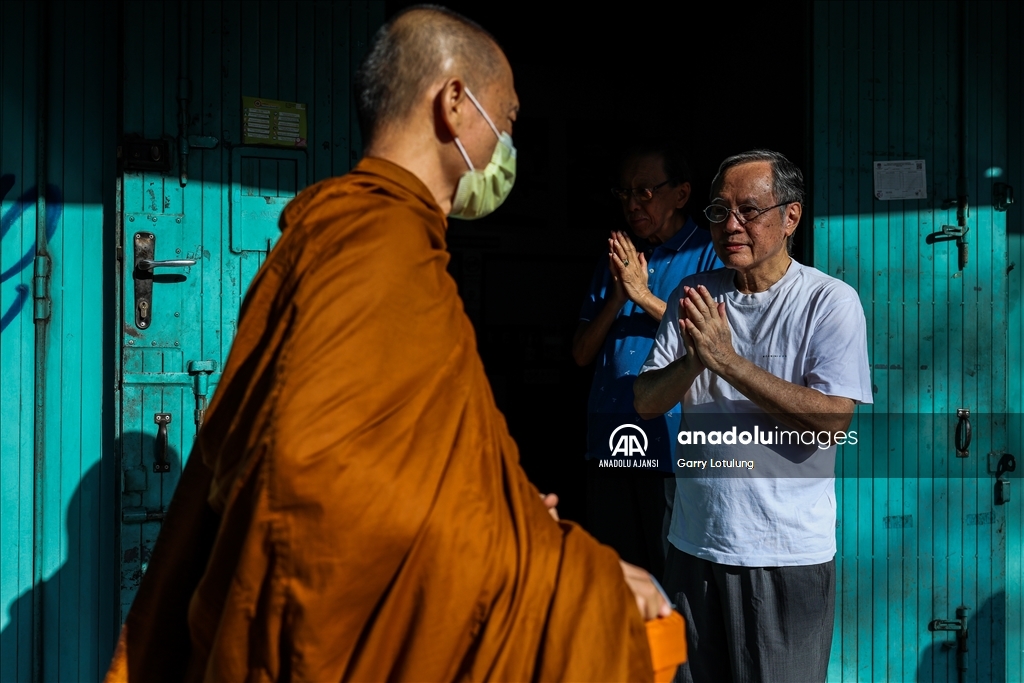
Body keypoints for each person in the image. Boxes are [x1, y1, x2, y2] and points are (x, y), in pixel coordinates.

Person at [105, 7, 682, 683]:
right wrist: (540, 558)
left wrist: (511, 509)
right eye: (508, 120)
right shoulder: (376, 242)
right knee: (628, 610)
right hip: (331, 636)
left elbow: (401, 456)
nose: (507, 147)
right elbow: (323, 491)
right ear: (455, 102)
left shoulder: (352, 236)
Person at [633, 150, 872, 683]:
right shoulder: (692, 297)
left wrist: (727, 362)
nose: (731, 225)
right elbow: (646, 402)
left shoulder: (827, 302)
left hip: (785, 554)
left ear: (791, 217)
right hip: (694, 545)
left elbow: (834, 420)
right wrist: (694, 362)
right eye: (719, 212)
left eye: (748, 210)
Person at [573, 144, 720, 578]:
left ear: (681, 194)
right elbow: (581, 353)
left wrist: (641, 295)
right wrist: (619, 296)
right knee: (615, 574)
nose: (632, 204)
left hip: (670, 447)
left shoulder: (710, 253)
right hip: (610, 438)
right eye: (624, 193)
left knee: (670, 573)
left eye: (645, 192)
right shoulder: (620, 258)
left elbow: (711, 337)